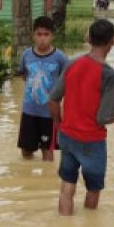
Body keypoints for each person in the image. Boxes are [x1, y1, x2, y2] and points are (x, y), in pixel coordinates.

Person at [47, 18, 114, 215]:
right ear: (113, 41)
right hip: (92, 141)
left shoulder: (71, 63)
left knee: (67, 187)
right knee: (93, 189)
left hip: (67, 136)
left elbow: (52, 101)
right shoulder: (108, 75)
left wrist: (59, 125)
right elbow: (104, 117)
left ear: (88, 38)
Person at [16, 15, 69, 161]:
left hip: (49, 114)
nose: (42, 38)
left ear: (52, 36)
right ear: (33, 35)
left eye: (46, 34)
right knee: (26, 151)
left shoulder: (60, 58)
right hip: (29, 111)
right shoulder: (26, 54)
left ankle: (47, 181)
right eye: (39, 34)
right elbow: (24, 76)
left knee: (47, 151)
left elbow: (68, 81)